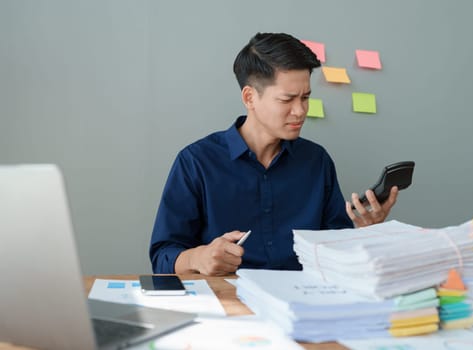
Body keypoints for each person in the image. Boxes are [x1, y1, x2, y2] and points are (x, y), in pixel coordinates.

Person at [149, 32, 398, 276]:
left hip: (305, 302)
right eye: (287, 99)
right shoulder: (196, 162)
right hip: (228, 305)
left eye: (305, 97)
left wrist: (365, 230)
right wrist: (198, 257)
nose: (300, 111)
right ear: (249, 97)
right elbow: (162, 257)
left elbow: (336, 253)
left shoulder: (317, 161)